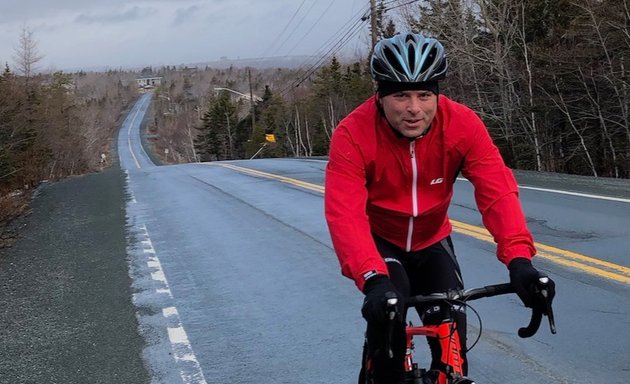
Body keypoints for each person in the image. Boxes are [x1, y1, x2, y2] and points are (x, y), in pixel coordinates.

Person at [324, 32, 555, 384]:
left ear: (437, 94)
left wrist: (520, 260)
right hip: (382, 244)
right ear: (380, 96)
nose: (414, 108)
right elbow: (345, 212)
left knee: (453, 346)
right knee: (388, 330)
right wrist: (371, 278)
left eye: (424, 95)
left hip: (433, 241)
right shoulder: (353, 133)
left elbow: (498, 192)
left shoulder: (462, 124)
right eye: (401, 95)